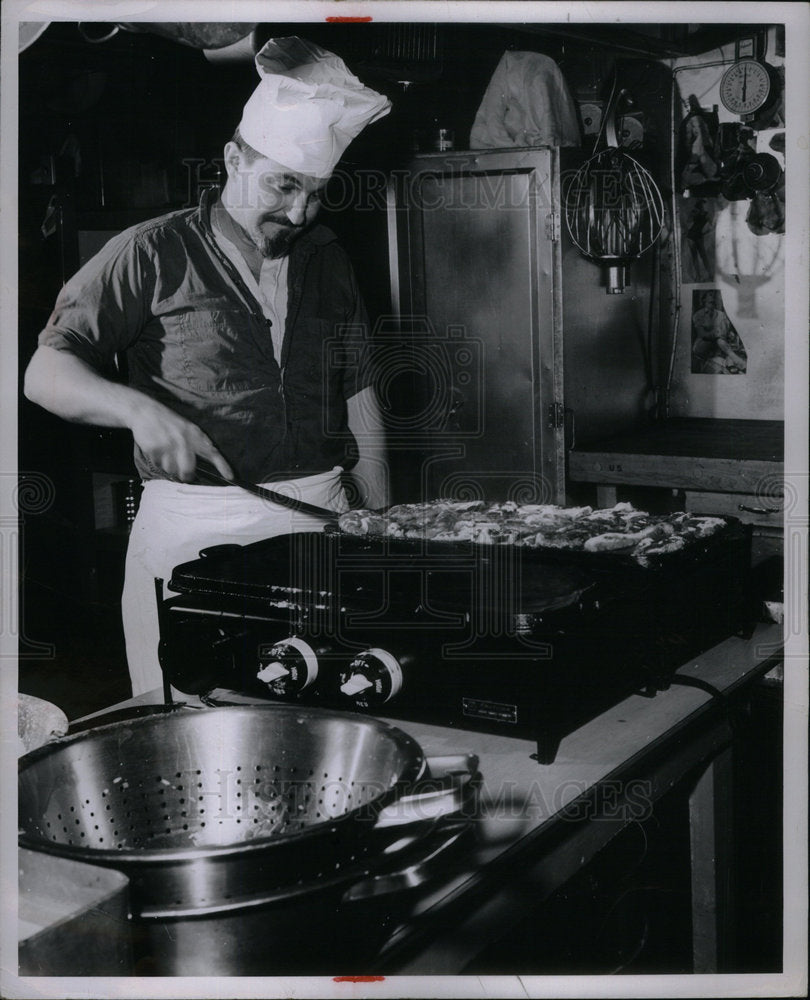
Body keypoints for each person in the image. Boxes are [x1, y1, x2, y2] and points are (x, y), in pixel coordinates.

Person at [24, 37, 392, 696]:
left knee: (329, 725)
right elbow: (45, 372)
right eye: (285, 184)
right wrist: (137, 409)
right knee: (198, 729)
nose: (300, 212)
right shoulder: (149, 252)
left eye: (316, 193)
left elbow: (358, 382)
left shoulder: (327, 255)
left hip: (323, 523)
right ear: (233, 160)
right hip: (196, 529)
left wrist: (383, 516)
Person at [691, 290, 747, 374]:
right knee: (719, 340)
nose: (712, 302)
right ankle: (737, 361)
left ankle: (733, 361)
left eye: (713, 300)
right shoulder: (698, 315)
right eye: (710, 298)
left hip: (718, 345)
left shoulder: (721, 315)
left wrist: (729, 334)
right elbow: (702, 335)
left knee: (720, 341)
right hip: (702, 345)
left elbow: (726, 332)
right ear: (703, 301)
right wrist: (715, 333)